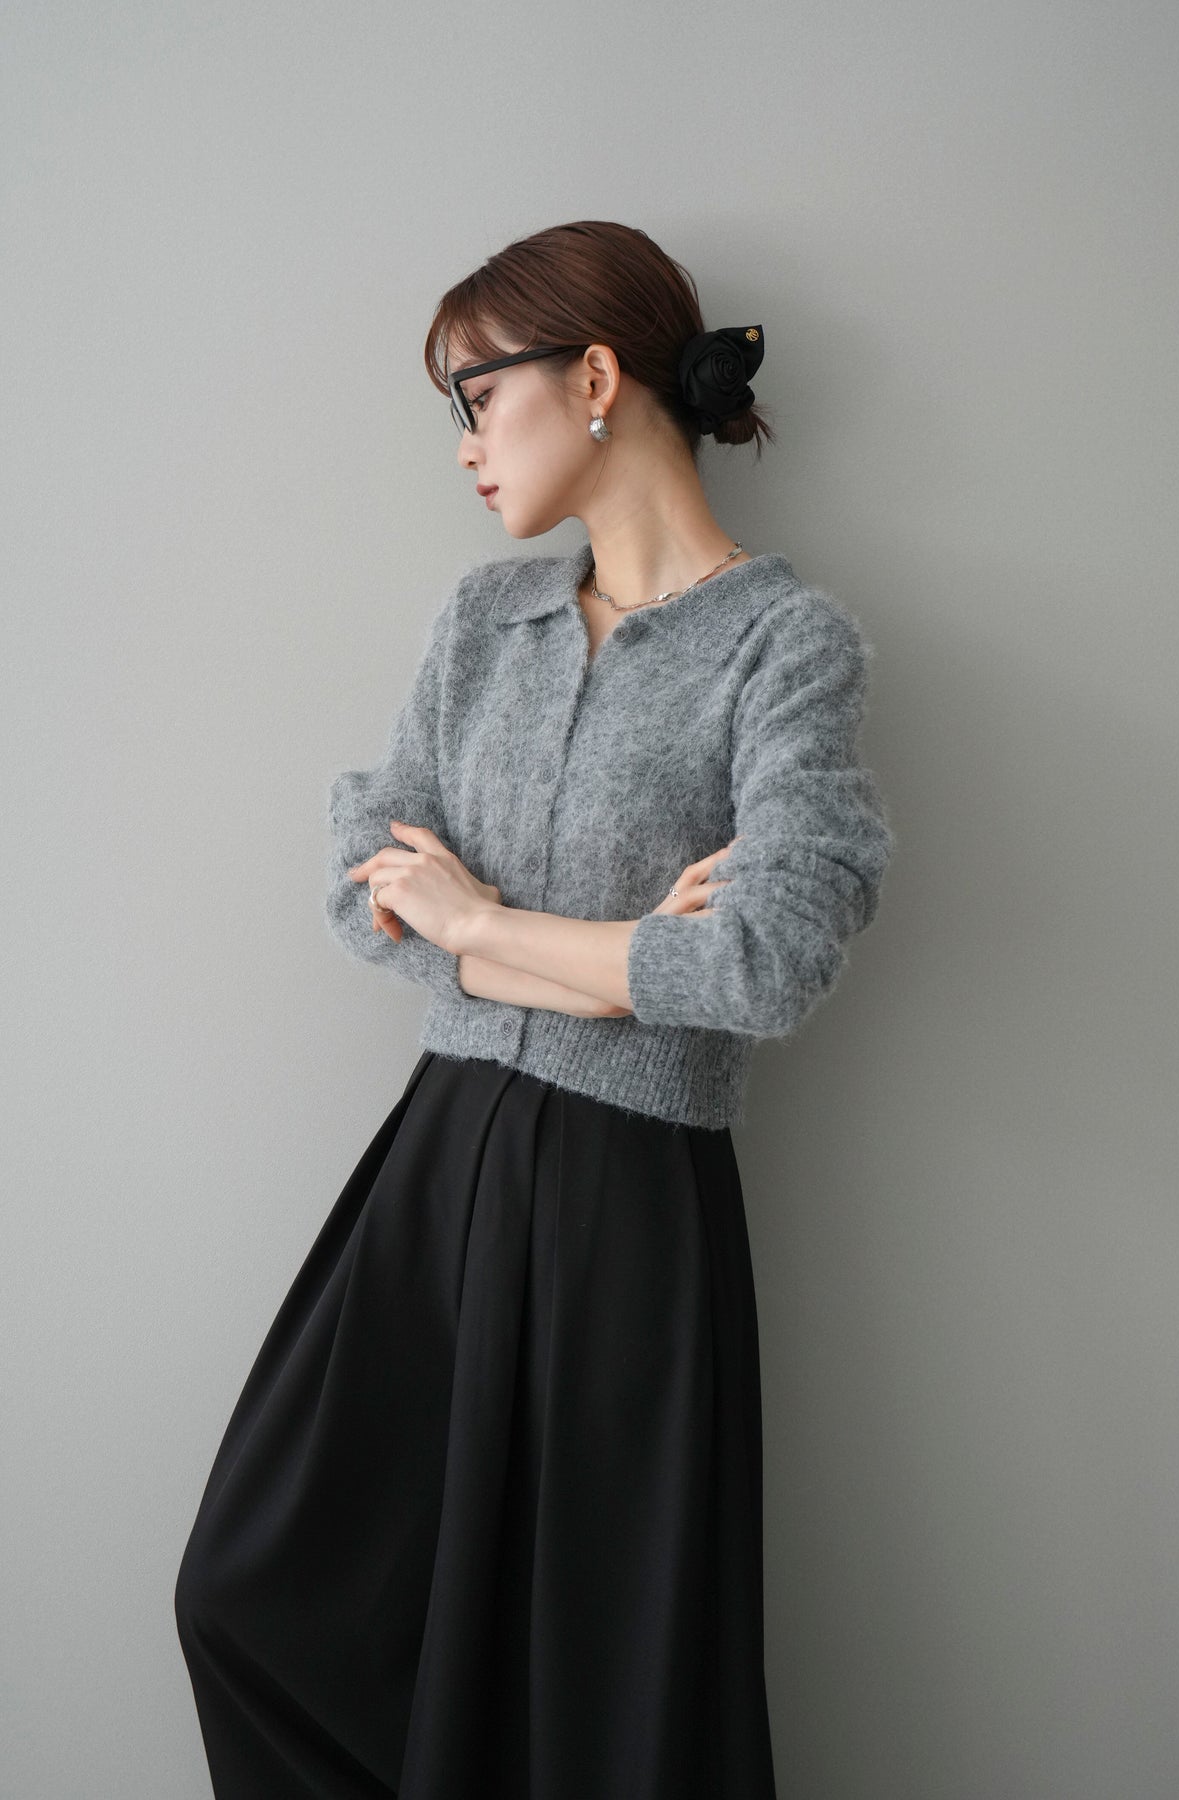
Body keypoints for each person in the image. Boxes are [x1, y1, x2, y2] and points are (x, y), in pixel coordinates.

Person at [174, 218, 894, 1798]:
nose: (462, 445)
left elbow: (765, 961)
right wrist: (610, 953)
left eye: (474, 396)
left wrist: (482, 922)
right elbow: (365, 878)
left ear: (593, 378)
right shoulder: (480, 621)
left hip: (627, 1210)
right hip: (432, 1179)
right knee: (247, 1595)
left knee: (588, 1694)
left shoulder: (785, 647)